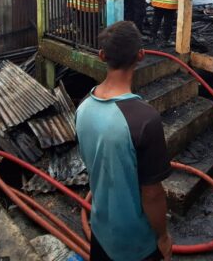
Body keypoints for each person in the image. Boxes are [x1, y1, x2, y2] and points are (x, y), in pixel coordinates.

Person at [76, 21, 172, 261]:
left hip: (101, 232)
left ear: (101, 56)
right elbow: (152, 194)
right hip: (136, 246)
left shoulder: (83, 108)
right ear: (141, 55)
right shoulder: (144, 120)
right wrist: (162, 236)